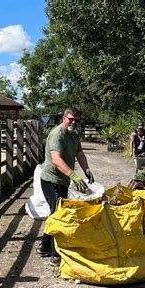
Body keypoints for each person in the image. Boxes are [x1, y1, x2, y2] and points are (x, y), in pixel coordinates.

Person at [36, 106, 95, 266]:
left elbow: (79, 154)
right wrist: (74, 176)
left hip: (62, 180)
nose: (74, 122)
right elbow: (56, 159)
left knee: (55, 212)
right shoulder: (57, 134)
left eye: (76, 120)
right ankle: (56, 254)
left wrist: (86, 169)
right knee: (59, 214)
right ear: (64, 118)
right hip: (51, 180)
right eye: (71, 119)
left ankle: (44, 247)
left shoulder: (74, 135)